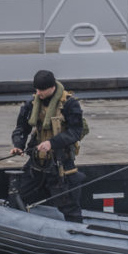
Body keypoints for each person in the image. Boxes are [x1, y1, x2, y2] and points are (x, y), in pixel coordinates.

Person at [10, 70, 85, 222]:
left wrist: (52, 143)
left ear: (52, 88)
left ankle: (76, 229)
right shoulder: (31, 104)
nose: (38, 93)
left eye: (42, 90)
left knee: (69, 203)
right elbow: (21, 128)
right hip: (37, 160)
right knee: (19, 194)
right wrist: (18, 145)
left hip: (60, 161)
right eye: (36, 90)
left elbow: (75, 132)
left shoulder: (70, 104)